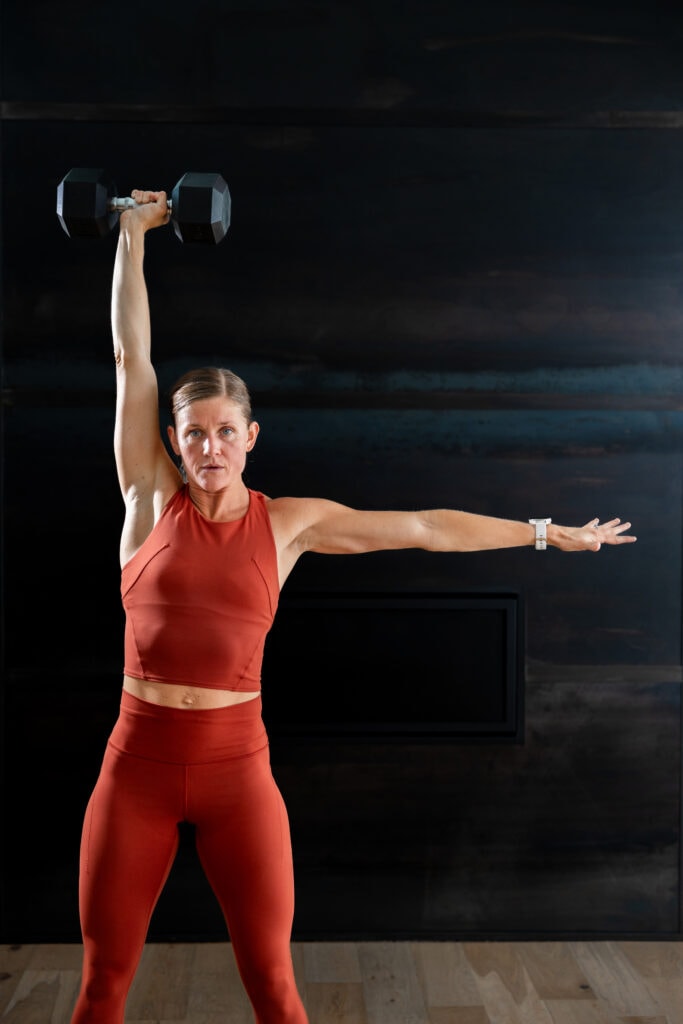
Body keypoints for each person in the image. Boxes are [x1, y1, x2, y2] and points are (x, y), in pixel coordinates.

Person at [70, 189, 637, 1024]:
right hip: (135, 771)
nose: (210, 447)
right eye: (193, 433)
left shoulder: (290, 523)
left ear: (251, 436)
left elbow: (426, 528)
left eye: (227, 431)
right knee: (102, 984)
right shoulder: (149, 499)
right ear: (173, 440)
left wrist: (549, 533)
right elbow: (131, 358)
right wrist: (131, 236)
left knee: (273, 983)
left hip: (237, 775)